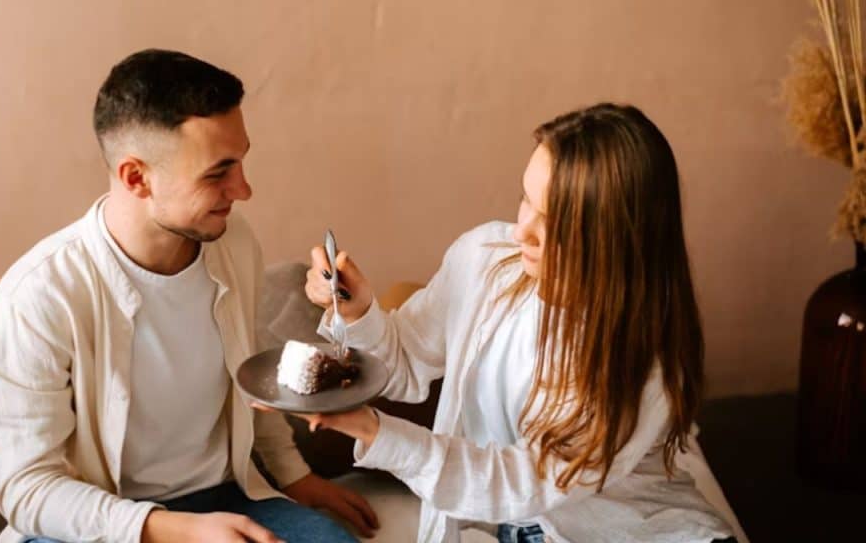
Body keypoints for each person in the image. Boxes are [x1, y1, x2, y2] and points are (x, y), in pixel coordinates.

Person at [0, 48, 378, 543]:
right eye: (218, 172)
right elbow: (27, 490)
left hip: (225, 496)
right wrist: (169, 529)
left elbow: (253, 379)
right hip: (96, 519)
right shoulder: (40, 295)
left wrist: (296, 478)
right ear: (136, 177)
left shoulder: (233, 244)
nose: (244, 189)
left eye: (241, 162)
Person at [297, 104, 737, 542]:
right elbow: (406, 357)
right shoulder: (485, 257)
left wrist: (377, 431)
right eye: (527, 198)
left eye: (555, 220)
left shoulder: (641, 359)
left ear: (611, 238)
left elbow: (522, 483)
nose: (522, 230)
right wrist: (355, 309)